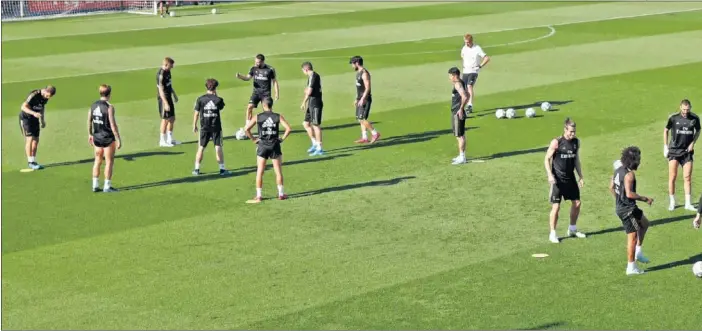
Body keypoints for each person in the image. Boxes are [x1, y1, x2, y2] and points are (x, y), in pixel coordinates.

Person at [609, 146, 653, 275]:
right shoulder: (629, 175)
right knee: (632, 237)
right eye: (638, 159)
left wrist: (618, 199)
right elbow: (629, 194)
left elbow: (611, 186)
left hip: (626, 207)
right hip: (627, 210)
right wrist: (645, 199)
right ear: (632, 160)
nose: (639, 161)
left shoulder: (618, 170)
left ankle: (638, 252)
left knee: (645, 224)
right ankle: (631, 267)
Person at [544, 118, 586, 243]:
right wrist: (550, 175)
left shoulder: (576, 142)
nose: (573, 134)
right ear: (565, 129)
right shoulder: (557, 142)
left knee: (577, 203)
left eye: (574, 132)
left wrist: (580, 176)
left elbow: (576, 160)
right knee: (556, 207)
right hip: (557, 179)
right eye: (571, 131)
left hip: (570, 178)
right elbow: (546, 159)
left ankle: (572, 229)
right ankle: (552, 233)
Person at [243, 97, 291, 203]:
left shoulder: (258, 117)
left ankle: (259, 195)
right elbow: (288, 128)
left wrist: (254, 139)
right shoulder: (277, 116)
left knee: (260, 171)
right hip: (275, 145)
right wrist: (282, 139)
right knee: (278, 171)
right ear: (271, 105)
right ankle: (281, 194)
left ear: (263, 105)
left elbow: (246, 129)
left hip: (262, 146)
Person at [663, 99, 699, 211]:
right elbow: (666, 130)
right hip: (674, 150)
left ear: (690, 108)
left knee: (687, 177)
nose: (685, 112)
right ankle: (672, 202)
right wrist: (665, 146)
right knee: (672, 177)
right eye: (684, 109)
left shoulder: (694, 118)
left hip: (687, 152)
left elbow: (698, 131)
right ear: (680, 107)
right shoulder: (673, 118)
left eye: (687, 109)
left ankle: (688, 203)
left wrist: (693, 143)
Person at [88, 84, 122, 193]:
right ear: (109, 94)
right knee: (109, 161)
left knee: (97, 161)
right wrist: (118, 138)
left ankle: (95, 185)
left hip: (97, 137)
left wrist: (90, 134)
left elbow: (89, 121)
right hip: (107, 138)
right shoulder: (109, 107)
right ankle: (107, 186)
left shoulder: (93, 105)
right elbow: (112, 124)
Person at [192, 78, 229, 176]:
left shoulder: (200, 99)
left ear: (206, 87)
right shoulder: (218, 100)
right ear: (215, 87)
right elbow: (221, 106)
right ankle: (222, 169)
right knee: (218, 147)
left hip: (204, 127)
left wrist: (194, 125)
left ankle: (196, 169)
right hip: (216, 127)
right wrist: (215, 95)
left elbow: (196, 113)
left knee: (201, 147)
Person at [236, 54, 279, 134]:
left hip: (266, 94)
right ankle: (247, 126)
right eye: (255, 62)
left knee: (267, 112)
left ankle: (271, 127)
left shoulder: (270, 69)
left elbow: (274, 81)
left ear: (262, 61)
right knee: (249, 107)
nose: (256, 63)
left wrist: (276, 93)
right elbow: (247, 78)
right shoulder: (253, 68)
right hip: (256, 93)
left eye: (258, 62)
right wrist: (240, 76)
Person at [19, 85, 56, 170]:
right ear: (45, 91)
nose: (47, 98)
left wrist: (42, 120)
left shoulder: (45, 98)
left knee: (36, 140)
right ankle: (30, 162)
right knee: (30, 139)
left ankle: (33, 161)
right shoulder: (34, 94)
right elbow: (23, 107)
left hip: (35, 118)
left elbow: (42, 108)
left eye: (49, 97)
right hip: (26, 118)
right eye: (47, 95)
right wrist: (33, 113)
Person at [349, 56, 380, 144]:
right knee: (360, 119)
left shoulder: (364, 73)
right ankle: (364, 137)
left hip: (365, 99)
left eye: (352, 64)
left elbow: (367, 88)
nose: (352, 66)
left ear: (357, 63)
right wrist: (357, 99)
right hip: (360, 99)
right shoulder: (358, 73)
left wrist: (363, 98)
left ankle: (375, 133)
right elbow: (359, 89)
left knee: (361, 118)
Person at [460, 34, 490, 113]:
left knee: (469, 86)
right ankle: (463, 106)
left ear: (471, 41)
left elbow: (486, 58)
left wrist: (480, 66)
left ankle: (470, 105)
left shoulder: (477, 48)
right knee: (464, 89)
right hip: (465, 71)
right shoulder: (464, 48)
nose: (466, 44)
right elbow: (462, 56)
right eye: (465, 42)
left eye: (468, 42)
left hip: (473, 71)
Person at [300, 61, 324, 156]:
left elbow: (308, 91)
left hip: (315, 104)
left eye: (303, 70)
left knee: (315, 125)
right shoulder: (311, 77)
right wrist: (304, 102)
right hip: (311, 103)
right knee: (305, 124)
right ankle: (314, 143)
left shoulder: (313, 76)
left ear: (306, 69)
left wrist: (305, 93)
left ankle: (320, 147)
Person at [447, 67, 469, 165]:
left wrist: (460, 109)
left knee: (460, 136)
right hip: (458, 111)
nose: (449, 78)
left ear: (455, 75)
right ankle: (461, 155)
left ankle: (462, 157)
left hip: (457, 112)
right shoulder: (462, 82)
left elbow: (464, 96)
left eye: (450, 75)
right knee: (460, 134)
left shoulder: (457, 84)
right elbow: (468, 95)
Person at [156, 57, 180, 147]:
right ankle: (162, 141)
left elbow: (169, 85)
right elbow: (161, 90)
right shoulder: (160, 74)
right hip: (163, 99)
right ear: (166, 64)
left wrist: (174, 94)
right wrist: (165, 103)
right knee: (165, 119)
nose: (172, 67)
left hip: (169, 97)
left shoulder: (168, 72)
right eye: (171, 65)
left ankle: (170, 139)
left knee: (172, 118)